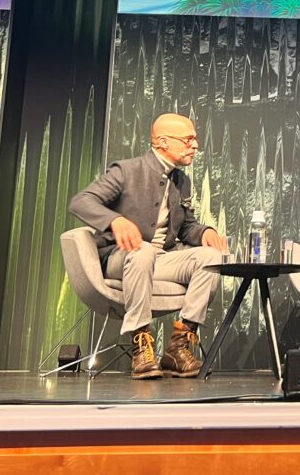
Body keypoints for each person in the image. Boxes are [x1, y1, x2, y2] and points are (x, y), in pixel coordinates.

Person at [69, 113, 227, 379]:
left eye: (195, 139)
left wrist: (205, 232)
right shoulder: (127, 170)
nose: (195, 145)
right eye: (188, 139)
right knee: (141, 251)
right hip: (123, 258)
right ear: (163, 142)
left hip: (161, 258)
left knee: (211, 258)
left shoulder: (181, 181)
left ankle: (179, 347)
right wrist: (115, 220)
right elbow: (81, 202)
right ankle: (141, 343)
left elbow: (185, 227)